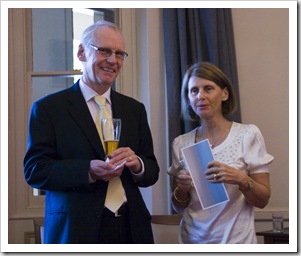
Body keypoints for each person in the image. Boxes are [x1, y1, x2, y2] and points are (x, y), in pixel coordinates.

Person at [24, 20, 160, 244]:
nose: (112, 60)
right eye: (104, 50)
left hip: (131, 229)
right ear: (81, 53)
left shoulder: (134, 109)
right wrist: (87, 170)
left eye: (119, 54)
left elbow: (151, 170)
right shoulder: (49, 108)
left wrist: (137, 164)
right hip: (76, 230)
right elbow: (35, 170)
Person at [168, 62, 274, 244]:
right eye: (193, 91)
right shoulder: (180, 143)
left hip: (237, 242)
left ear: (225, 94)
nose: (200, 96)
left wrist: (241, 179)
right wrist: (182, 189)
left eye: (208, 88)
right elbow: (179, 206)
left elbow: (262, 200)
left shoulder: (248, 135)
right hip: (192, 241)